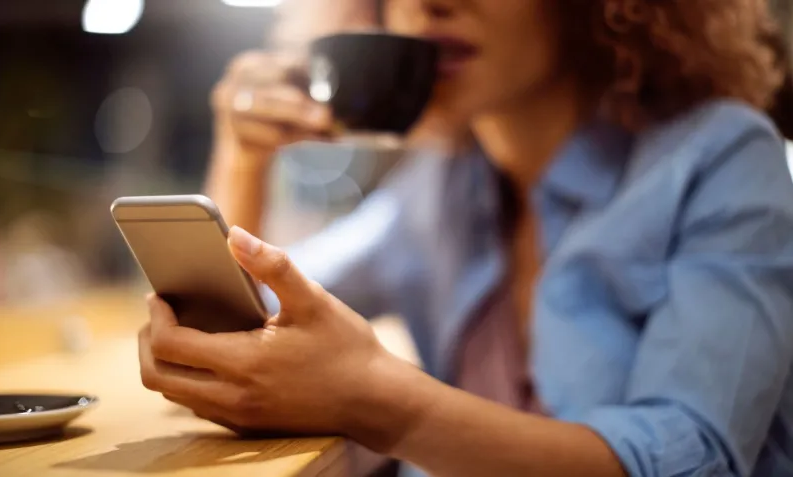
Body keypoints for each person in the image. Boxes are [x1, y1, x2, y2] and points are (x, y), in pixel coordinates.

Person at [139, 1, 793, 476]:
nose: (427, 5)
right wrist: (243, 156)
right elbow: (250, 329)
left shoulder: (721, 156)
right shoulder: (439, 189)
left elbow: (693, 454)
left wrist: (378, 398)